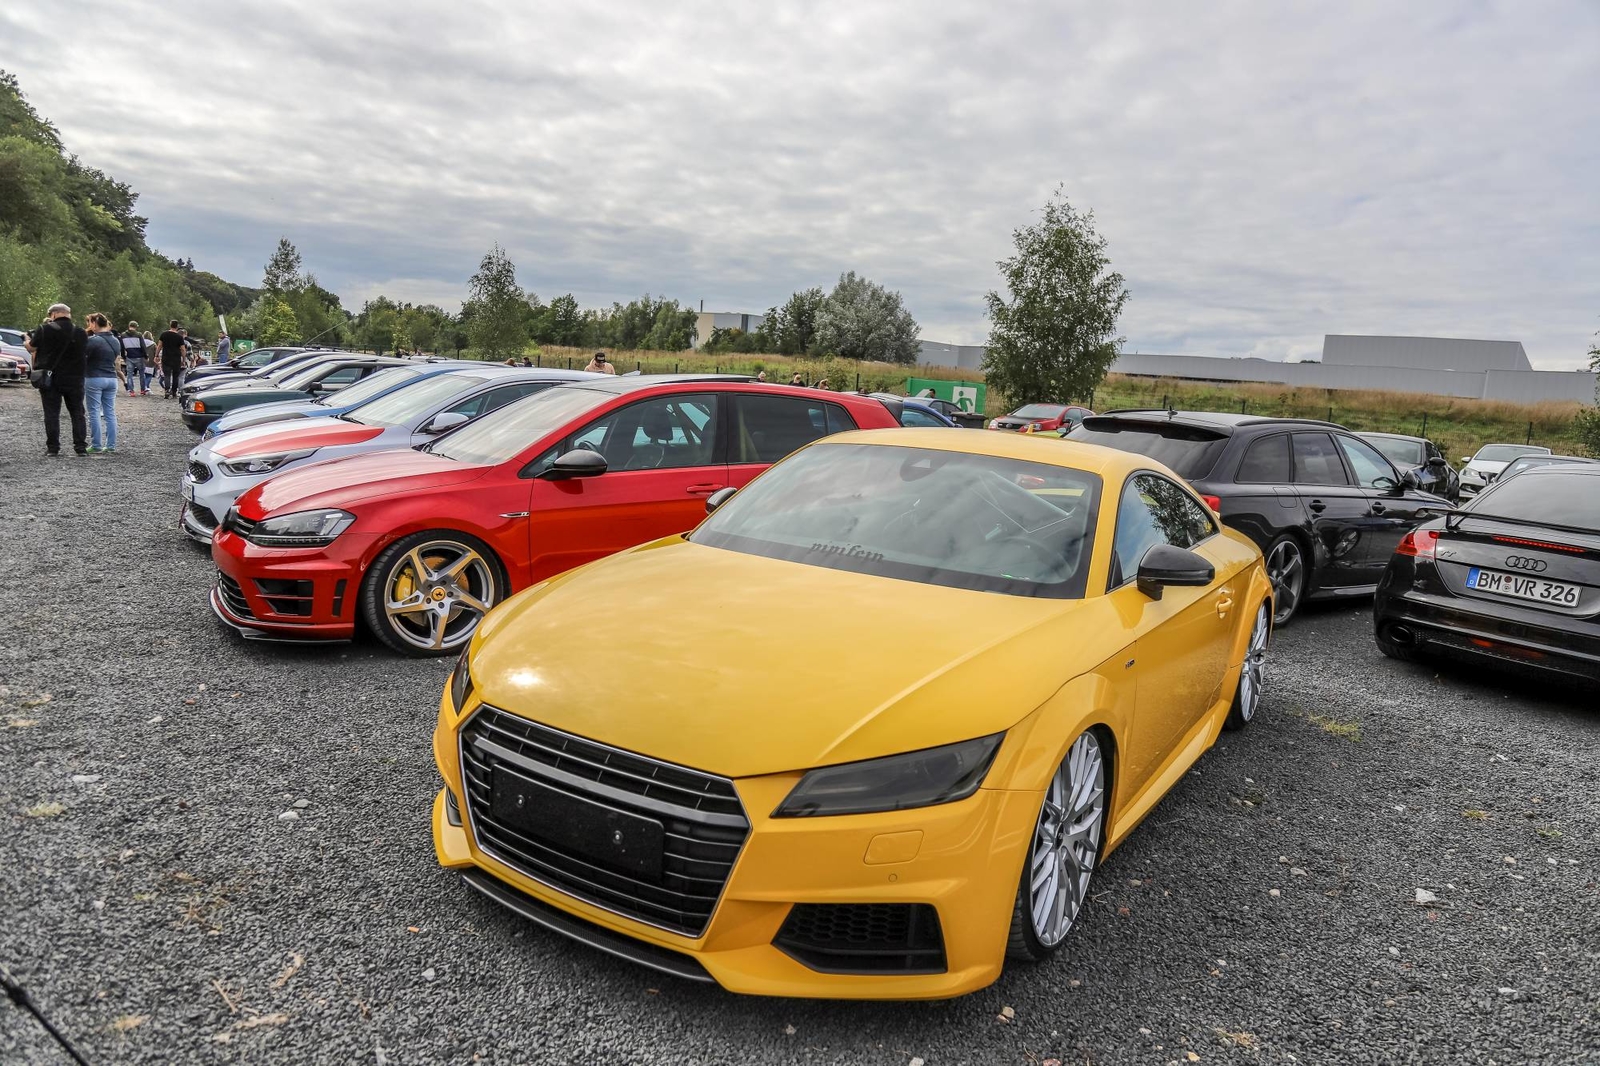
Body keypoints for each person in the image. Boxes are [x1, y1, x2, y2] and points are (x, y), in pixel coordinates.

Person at [26, 303, 88, 456]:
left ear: (53, 314)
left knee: (52, 413)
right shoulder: (80, 332)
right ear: (68, 314)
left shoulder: (44, 329)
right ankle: (80, 448)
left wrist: (25, 341)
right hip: (75, 378)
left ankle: (53, 448)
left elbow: (32, 348)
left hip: (50, 378)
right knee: (77, 413)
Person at [82, 313, 120, 453]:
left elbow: (83, 357)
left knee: (94, 412)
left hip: (94, 377)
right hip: (112, 378)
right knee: (110, 412)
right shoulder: (115, 340)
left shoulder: (93, 341)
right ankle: (110, 445)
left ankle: (96, 444)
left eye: (89, 323)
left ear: (94, 323)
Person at [121, 320, 151, 395]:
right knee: (142, 374)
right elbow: (143, 346)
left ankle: (131, 391)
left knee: (129, 375)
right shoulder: (139, 335)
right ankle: (142, 390)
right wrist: (146, 356)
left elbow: (122, 347)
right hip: (139, 357)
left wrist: (123, 357)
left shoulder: (123, 335)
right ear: (136, 327)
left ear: (129, 326)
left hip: (129, 357)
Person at [157, 320, 185, 397]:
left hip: (166, 357)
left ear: (170, 325)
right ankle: (174, 392)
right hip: (176, 358)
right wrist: (183, 359)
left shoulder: (164, 334)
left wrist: (156, 355)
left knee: (167, 375)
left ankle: (167, 390)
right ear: (177, 326)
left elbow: (159, 345)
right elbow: (183, 349)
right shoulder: (179, 337)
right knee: (176, 376)